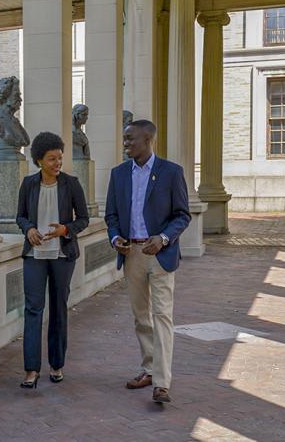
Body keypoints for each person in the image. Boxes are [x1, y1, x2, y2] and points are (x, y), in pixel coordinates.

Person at [104, 119, 191, 403]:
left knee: (162, 315)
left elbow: (182, 215)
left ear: (147, 139)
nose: (125, 143)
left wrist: (164, 238)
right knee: (141, 317)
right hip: (132, 255)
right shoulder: (118, 174)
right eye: (124, 138)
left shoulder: (171, 172)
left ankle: (162, 383)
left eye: (130, 138)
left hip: (160, 254)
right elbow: (112, 216)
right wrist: (116, 237)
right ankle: (149, 369)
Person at [16, 131, 89, 389]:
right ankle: (31, 370)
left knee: (58, 309)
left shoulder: (72, 184)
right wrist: (28, 229)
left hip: (62, 255)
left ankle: (57, 365)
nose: (57, 163)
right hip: (34, 256)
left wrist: (65, 230)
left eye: (59, 158)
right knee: (33, 309)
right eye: (51, 159)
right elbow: (21, 216)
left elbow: (83, 219)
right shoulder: (28, 184)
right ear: (38, 160)